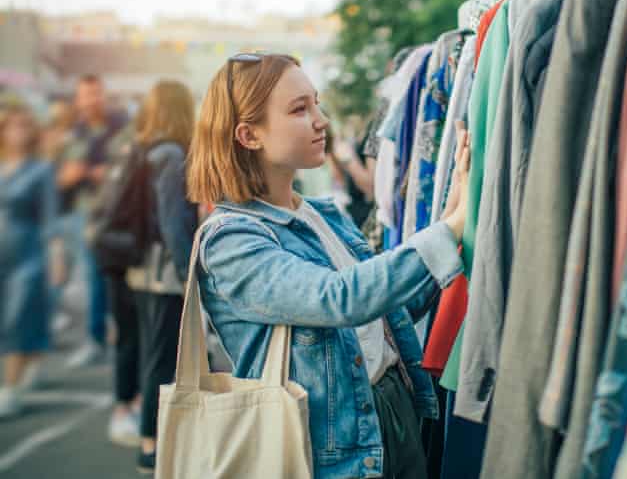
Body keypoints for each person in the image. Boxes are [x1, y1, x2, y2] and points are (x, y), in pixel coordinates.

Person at [186, 53, 470, 479]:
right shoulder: (230, 240)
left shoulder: (323, 214)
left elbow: (390, 311)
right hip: (328, 451)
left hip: (392, 415)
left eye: (316, 103)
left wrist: (453, 226)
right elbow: (339, 299)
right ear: (248, 135)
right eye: (300, 109)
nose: (321, 120)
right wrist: (446, 233)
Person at [121, 81, 197, 474]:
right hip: (163, 272)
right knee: (161, 358)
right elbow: (172, 222)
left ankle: (149, 438)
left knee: (154, 354)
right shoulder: (171, 155)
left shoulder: (147, 149)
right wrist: (188, 275)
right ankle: (151, 444)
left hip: (143, 269)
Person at [0, 105, 66, 418]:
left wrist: (55, 257)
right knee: (8, 318)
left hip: (27, 254)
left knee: (17, 317)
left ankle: (10, 390)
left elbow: (50, 218)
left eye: (24, 126)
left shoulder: (41, 170)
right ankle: (30, 360)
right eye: (12, 126)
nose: (18, 132)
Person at [58, 75, 127, 369]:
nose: (91, 100)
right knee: (90, 277)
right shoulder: (75, 132)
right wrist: (69, 175)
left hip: (114, 213)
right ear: (78, 99)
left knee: (107, 277)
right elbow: (61, 175)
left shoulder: (120, 127)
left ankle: (103, 337)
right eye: (85, 95)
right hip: (82, 213)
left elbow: (128, 165)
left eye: (96, 94)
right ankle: (98, 337)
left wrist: (104, 171)